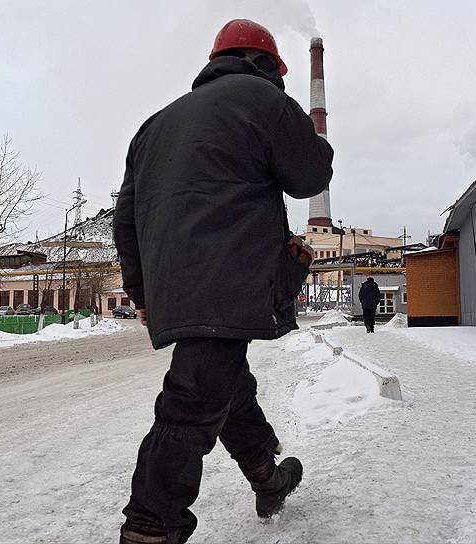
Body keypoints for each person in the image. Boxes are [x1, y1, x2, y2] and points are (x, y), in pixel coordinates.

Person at [113, 19, 334, 544]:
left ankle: (267, 478)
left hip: (175, 284)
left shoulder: (153, 125)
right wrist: (311, 130)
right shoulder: (261, 100)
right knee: (189, 404)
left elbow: (126, 218)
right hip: (232, 277)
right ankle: (150, 529)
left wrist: (142, 293)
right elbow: (310, 177)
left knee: (225, 380)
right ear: (271, 66)